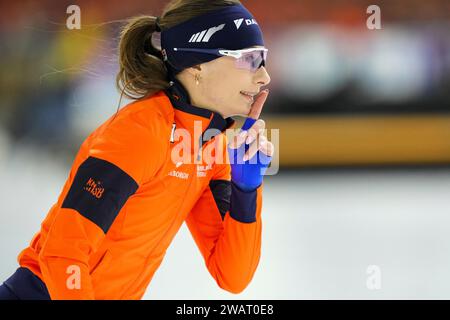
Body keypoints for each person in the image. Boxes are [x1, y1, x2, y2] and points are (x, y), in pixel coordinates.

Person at [0, 0, 273, 300]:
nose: (264, 76)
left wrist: (246, 190)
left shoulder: (211, 147)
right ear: (197, 65)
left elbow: (233, 275)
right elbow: (63, 254)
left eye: (263, 59)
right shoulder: (138, 133)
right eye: (250, 59)